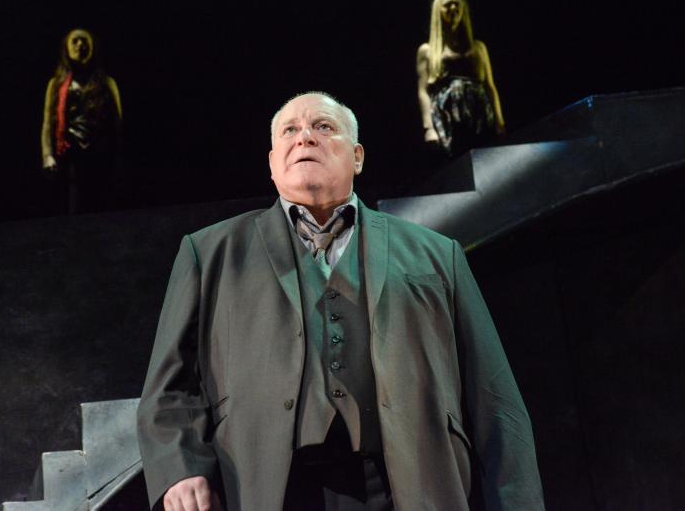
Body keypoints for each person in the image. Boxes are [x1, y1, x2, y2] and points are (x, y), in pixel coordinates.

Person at [137, 92, 544, 510]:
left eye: (324, 127)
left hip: (409, 483)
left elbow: (496, 402)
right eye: (290, 130)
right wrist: (180, 467)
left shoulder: (437, 254)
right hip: (269, 485)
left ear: (358, 156)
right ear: (273, 163)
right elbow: (170, 385)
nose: (305, 138)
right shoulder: (210, 254)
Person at [40, 28, 122, 214]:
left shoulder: (106, 83)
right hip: (69, 156)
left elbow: (117, 124)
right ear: (66, 48)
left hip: (100, 153)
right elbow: (47, 124)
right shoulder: (57, 84)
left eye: (84, 41)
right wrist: (47, 155)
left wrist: (118, 157)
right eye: (75, 41)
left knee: (101, 204)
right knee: (73, 205)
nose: (80, 46)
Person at [417, 0, 505, 156]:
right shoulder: (427, 51)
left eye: (456, 4)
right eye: (447, 5)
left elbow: (490, 86)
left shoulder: (478, 48)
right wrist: (428, 128)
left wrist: (500, 122)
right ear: (438, 10)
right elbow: (423, 91)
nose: (452, 9)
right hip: (446, 115)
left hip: (478, 112)